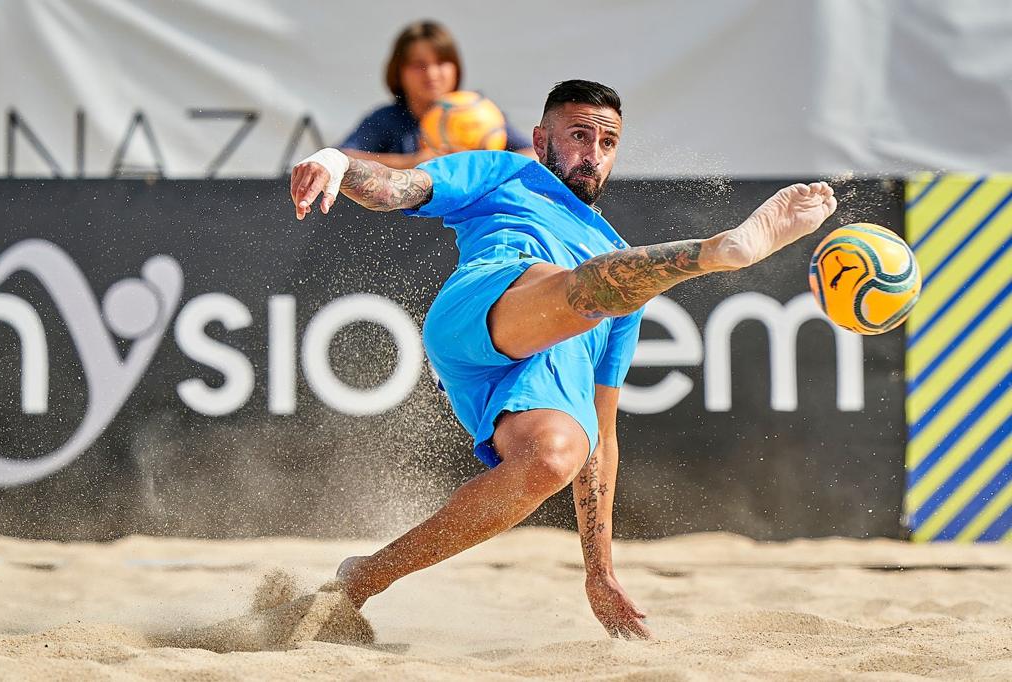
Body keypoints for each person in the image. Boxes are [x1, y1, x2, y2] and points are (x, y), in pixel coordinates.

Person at [290, 80, 837, 639]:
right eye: (579, 136)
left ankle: (360, 581)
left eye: (607, 143)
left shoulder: (621, 268)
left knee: (559, 457)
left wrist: (599, 572)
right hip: (487, 301)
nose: (592, 155)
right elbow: (398, 188)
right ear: (541, 138)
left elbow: (605, 428)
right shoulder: (507, 173)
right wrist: (338, 163)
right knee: (588, 285)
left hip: (551, 365)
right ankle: (720, 251)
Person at [339, 20, 535, 169]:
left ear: (456, 68)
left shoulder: (478, 113)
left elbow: (535, 153)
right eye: (419, 65)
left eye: (441, 62)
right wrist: (411, 162)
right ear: (398, 71)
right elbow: (339, 157)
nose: (432, 74)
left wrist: (484, 164)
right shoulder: (387, 119)